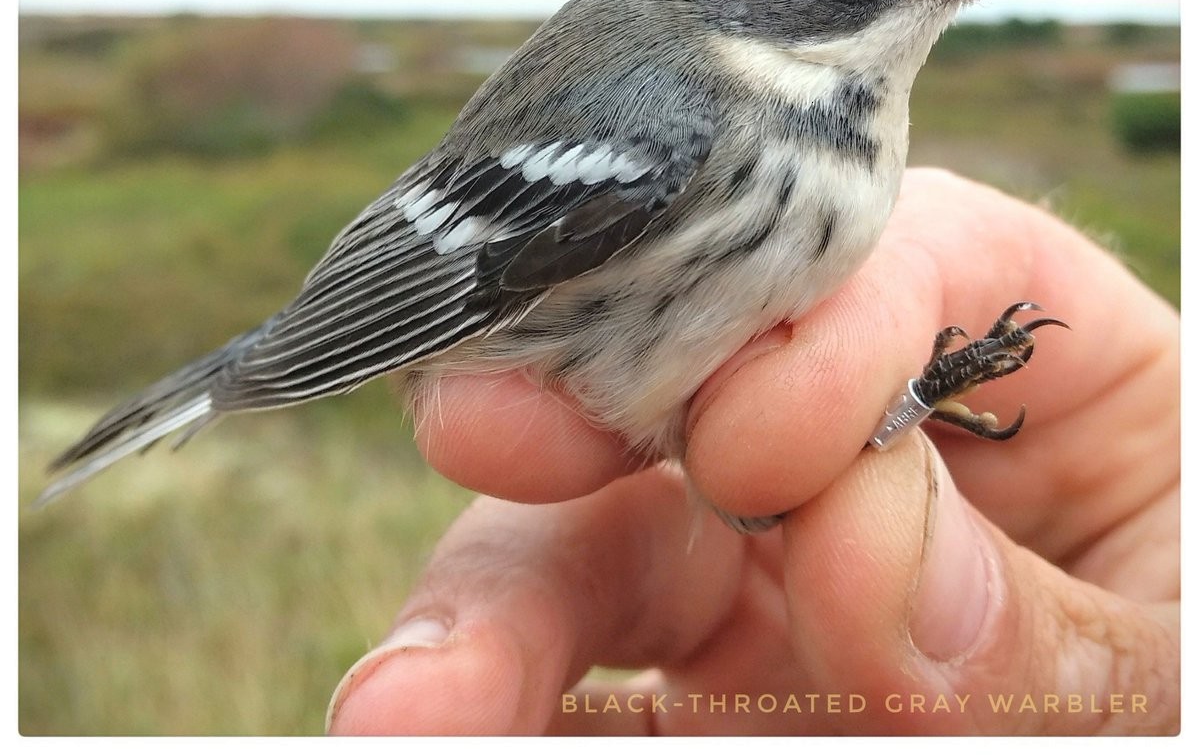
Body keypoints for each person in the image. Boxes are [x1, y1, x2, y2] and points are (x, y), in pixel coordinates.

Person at [324, 169, 1180, 736]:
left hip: (747, 439)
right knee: (761, 463)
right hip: (688, 423)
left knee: (776, 449)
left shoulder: (842, 143)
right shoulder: (694, 118)